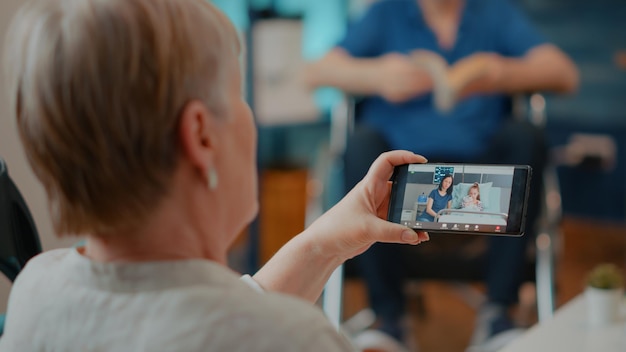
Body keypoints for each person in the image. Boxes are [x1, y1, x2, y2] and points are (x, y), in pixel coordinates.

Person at [0, 0, 431, 350]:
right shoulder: (299, 340)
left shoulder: (35, 289)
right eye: (237, 95)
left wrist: (322, 245)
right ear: (201, 136)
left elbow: (219, 315)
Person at [304, 0, 579, 349]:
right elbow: (313, 72)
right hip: (401, 175)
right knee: (360, 144)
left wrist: (498, 75)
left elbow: (564, 73)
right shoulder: (387, 13)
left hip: (482, 173)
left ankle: (498, 315)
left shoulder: (492, 13)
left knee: (526, 136)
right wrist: (377, 76)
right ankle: (390, 319)